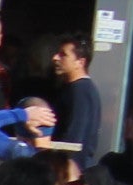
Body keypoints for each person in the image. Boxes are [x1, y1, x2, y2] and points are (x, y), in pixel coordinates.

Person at [37, 33, 105, 162]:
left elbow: (72, 140)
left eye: (63, 54)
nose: (55, 58)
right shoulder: (74, 89)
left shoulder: (80, 91)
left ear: (80, 62)